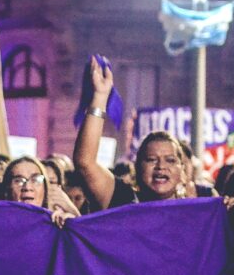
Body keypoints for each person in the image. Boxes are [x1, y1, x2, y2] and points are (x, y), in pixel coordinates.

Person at [73, 56, 185, 209]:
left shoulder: (197, 211)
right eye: (151, 159)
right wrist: (100, 97)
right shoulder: (122, 199)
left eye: (170, 160)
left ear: (182, 170)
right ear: (137, 167)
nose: (161, 166)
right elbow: (85, 163)